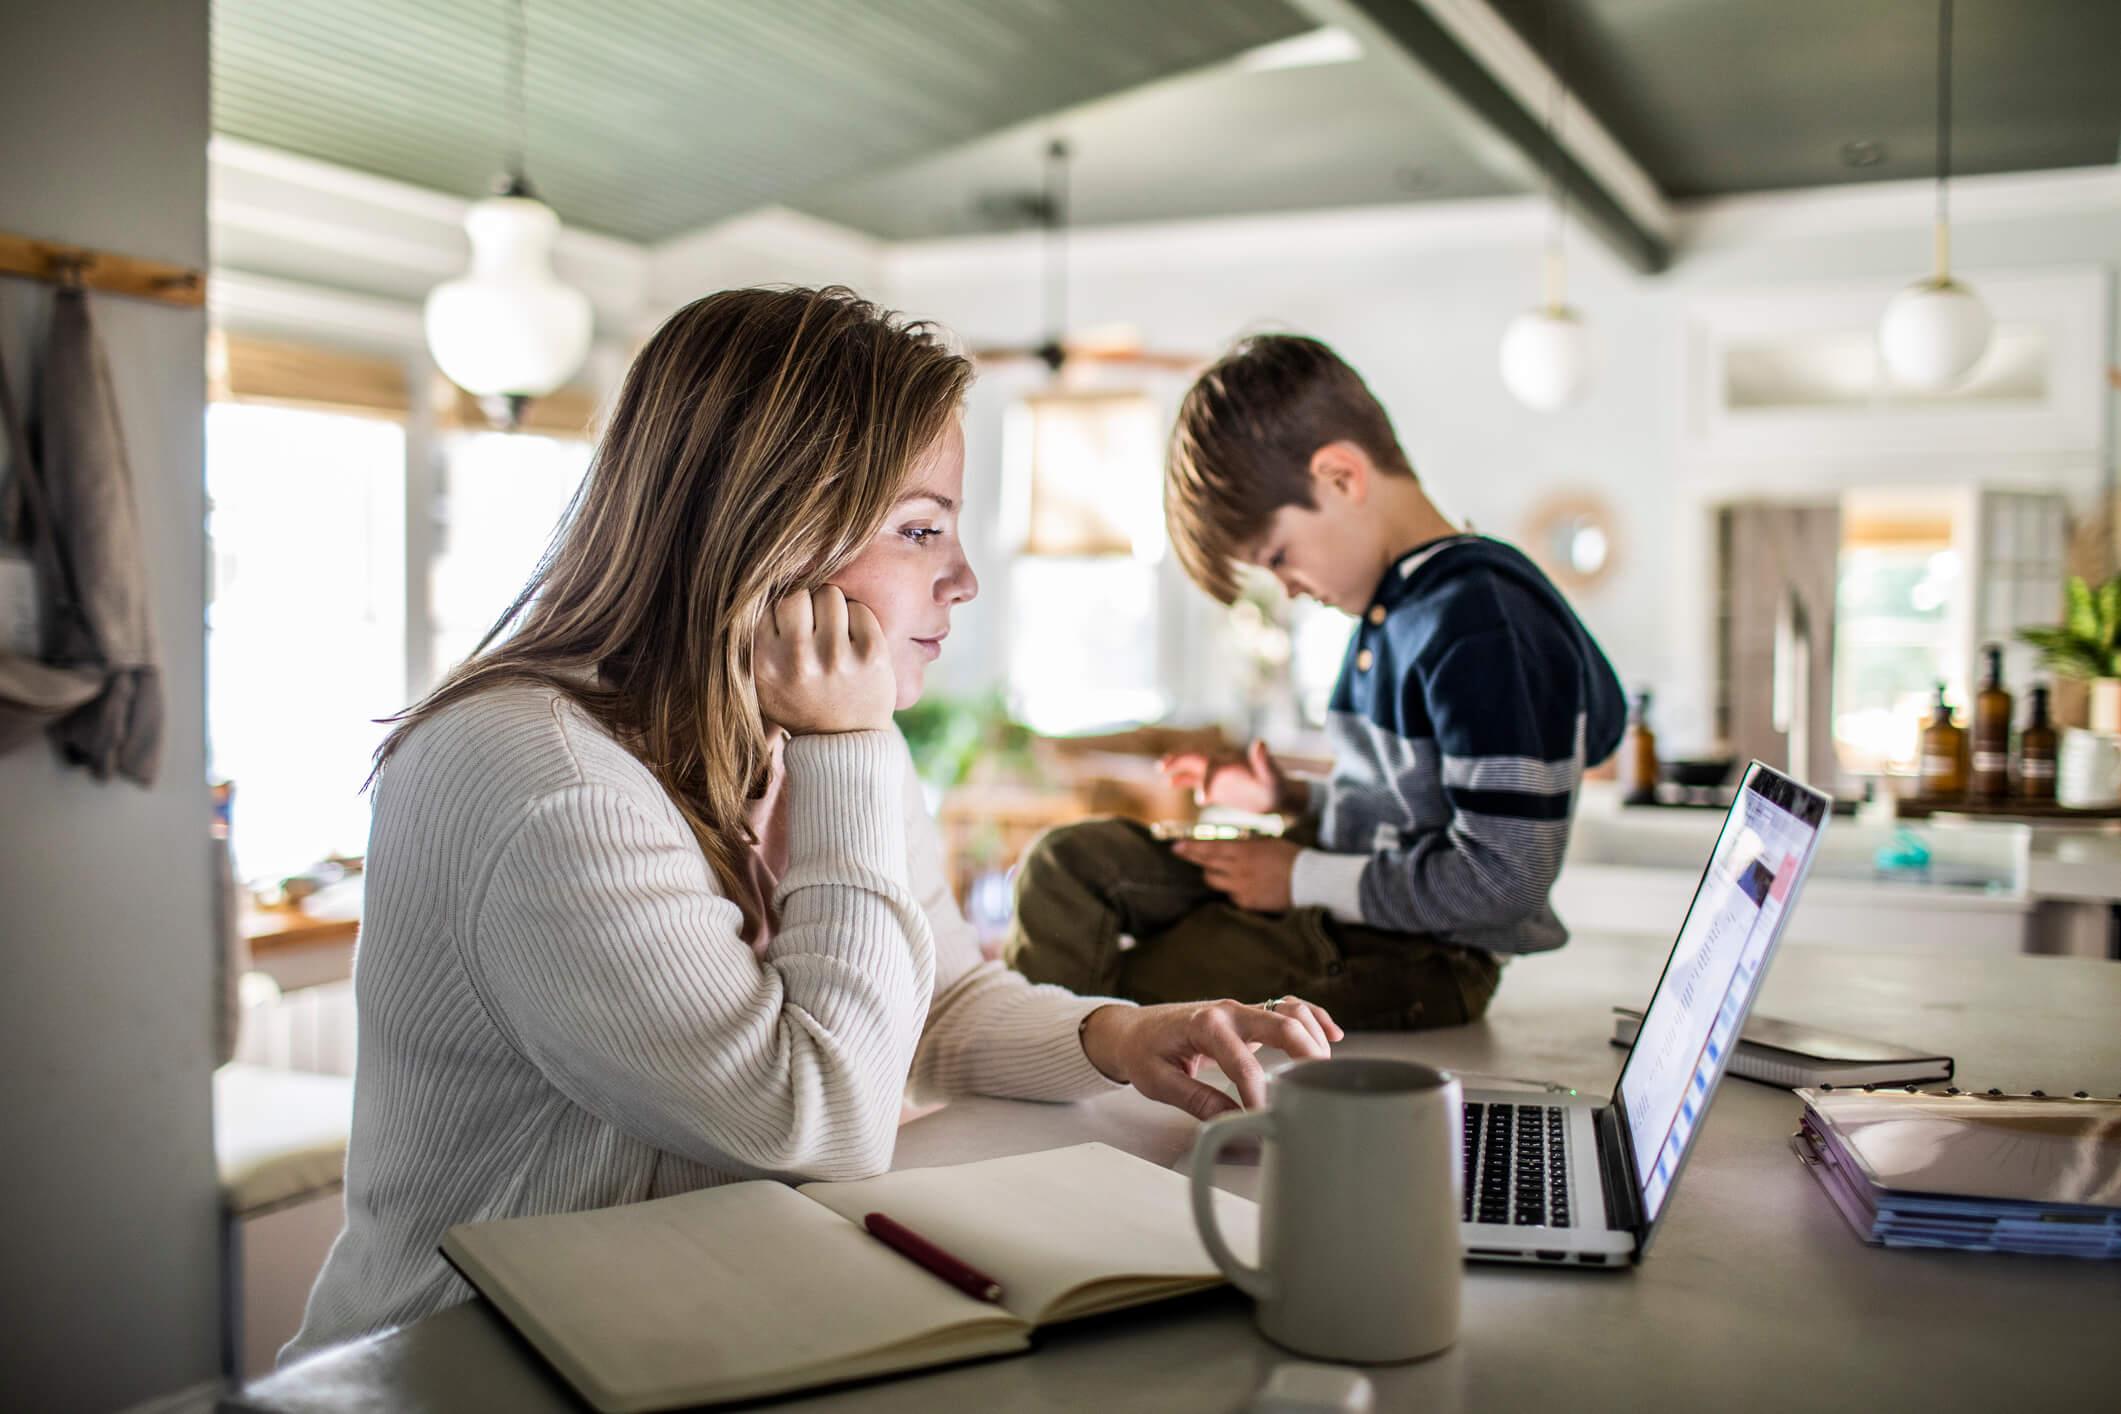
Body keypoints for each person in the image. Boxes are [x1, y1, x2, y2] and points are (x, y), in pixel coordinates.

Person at [284, 289, 1340, 1362]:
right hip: (463, 1367)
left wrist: (1117, 1035)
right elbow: (813, 1119)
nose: (964, 579)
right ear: (770, 533)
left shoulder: (790, 730)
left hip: (669, 1327)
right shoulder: (546, 778)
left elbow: (938, 997)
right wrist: (851, 749)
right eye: (921, 529)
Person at [1004, 334, 1625, 1031]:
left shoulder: (1485, 622)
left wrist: (1297, 877)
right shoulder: (1396, 609)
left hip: (1420, 954)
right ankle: (1048, 1052)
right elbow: (1409, 808)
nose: (1291, 590)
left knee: (1138, 984)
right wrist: (1289, 796)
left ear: (1339, 477)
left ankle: (1061, 1086)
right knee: (1067, 865)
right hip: (1338, 889)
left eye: (1279, 557)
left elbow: (1505, 880)